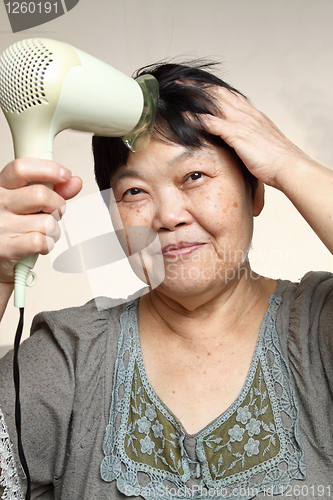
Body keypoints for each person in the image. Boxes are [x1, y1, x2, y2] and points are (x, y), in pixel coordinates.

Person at [0, 60, 333, 500]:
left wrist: (290, 162)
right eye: (134, 192)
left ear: (256, 189)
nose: (168, 217)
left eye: (194, 176)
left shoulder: (318, 329)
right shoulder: (69, 355)